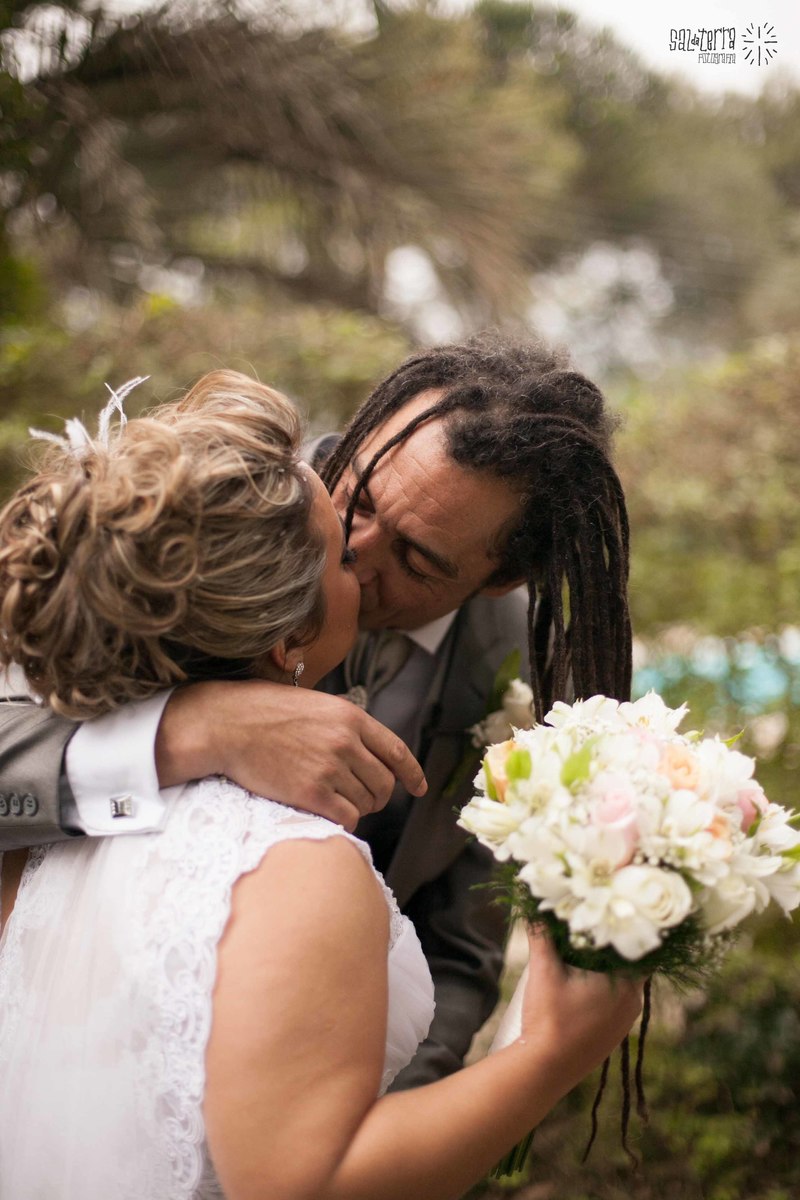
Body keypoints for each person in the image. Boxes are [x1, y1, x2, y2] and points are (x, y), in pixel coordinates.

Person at [0, 371, 643, 1199]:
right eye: (359, 504)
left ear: (497, 579)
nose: (360, 550)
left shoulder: (528, 665)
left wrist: (403, 1138)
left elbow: (461, 947)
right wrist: (196, 729)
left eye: (416, 559)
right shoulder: (223, 507)